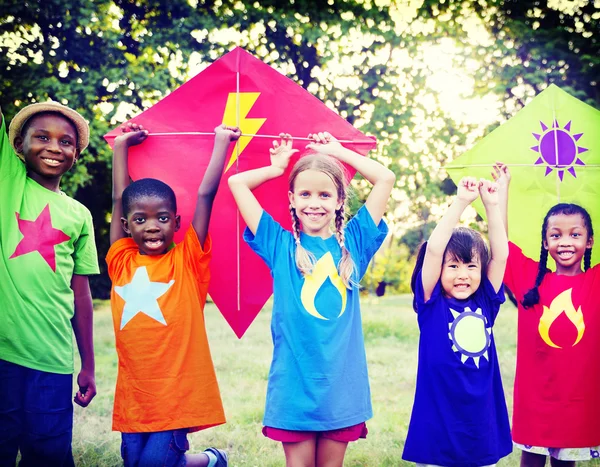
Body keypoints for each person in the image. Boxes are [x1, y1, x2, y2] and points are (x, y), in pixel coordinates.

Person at [228, 131, 395, 467]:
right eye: (304, 194)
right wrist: (276, 168)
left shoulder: (356, 242)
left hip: (340, 386)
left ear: (338, 200)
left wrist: (339, 152)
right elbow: (237, 184)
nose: (314, 203)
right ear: (292, 199)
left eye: (324, 194)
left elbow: (385, 178)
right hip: (295, 383)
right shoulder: (279, 245)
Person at [107, 122, 240, 467]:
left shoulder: (187, 259)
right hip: (136, 395)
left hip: (176, 394)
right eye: (141, 219)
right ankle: (211, 461)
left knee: (153, 464)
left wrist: (221, 144)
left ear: (177, 222)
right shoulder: (120, 259)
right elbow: (117, 198)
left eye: (162, 218)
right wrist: (121, 146)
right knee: (133, 462)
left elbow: (205, 195)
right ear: (126, 225)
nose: (152, 225)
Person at [0, 102, 99, 466]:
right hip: (3, 355)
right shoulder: (7, 183)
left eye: (66, 142)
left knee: (50, 455)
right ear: (18, 147)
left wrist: (87, 363)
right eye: (42, 137)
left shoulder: (79, 214)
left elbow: (82, 293)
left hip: (53, 361)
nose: (55, 147)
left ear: (76, 153)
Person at [493, 163, 600, 466]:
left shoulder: (596, 282)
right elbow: (500, 244)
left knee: (566, 462)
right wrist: (503, 189)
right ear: (545, 242)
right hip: (536, 401)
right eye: (556, 235)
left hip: (577, 403)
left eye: (575, 234)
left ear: (589, 241)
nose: (565, 241)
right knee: (531, 461)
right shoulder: (530, 280)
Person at [402, 176, 512, 467]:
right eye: (453, 266)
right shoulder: (431, 302)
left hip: (479, 416)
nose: (462, 274)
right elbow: (435, 249)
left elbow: (500, 256)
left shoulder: (485, 301)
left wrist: (492, 205)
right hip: (439, 416)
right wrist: (461, 202)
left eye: (471, 265)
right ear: (440, 269)